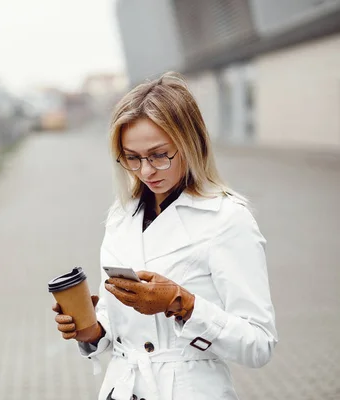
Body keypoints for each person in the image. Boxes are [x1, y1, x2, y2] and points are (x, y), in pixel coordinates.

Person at [52, 72, 277, 400]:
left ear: (190, 143)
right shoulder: (121, 215)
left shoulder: (227, 219)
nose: (145, 171)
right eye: (132, 157)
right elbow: (115, 326)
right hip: (121, 388)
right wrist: (88, 327)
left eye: (159, 154)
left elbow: (259, 344)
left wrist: (182, 304)